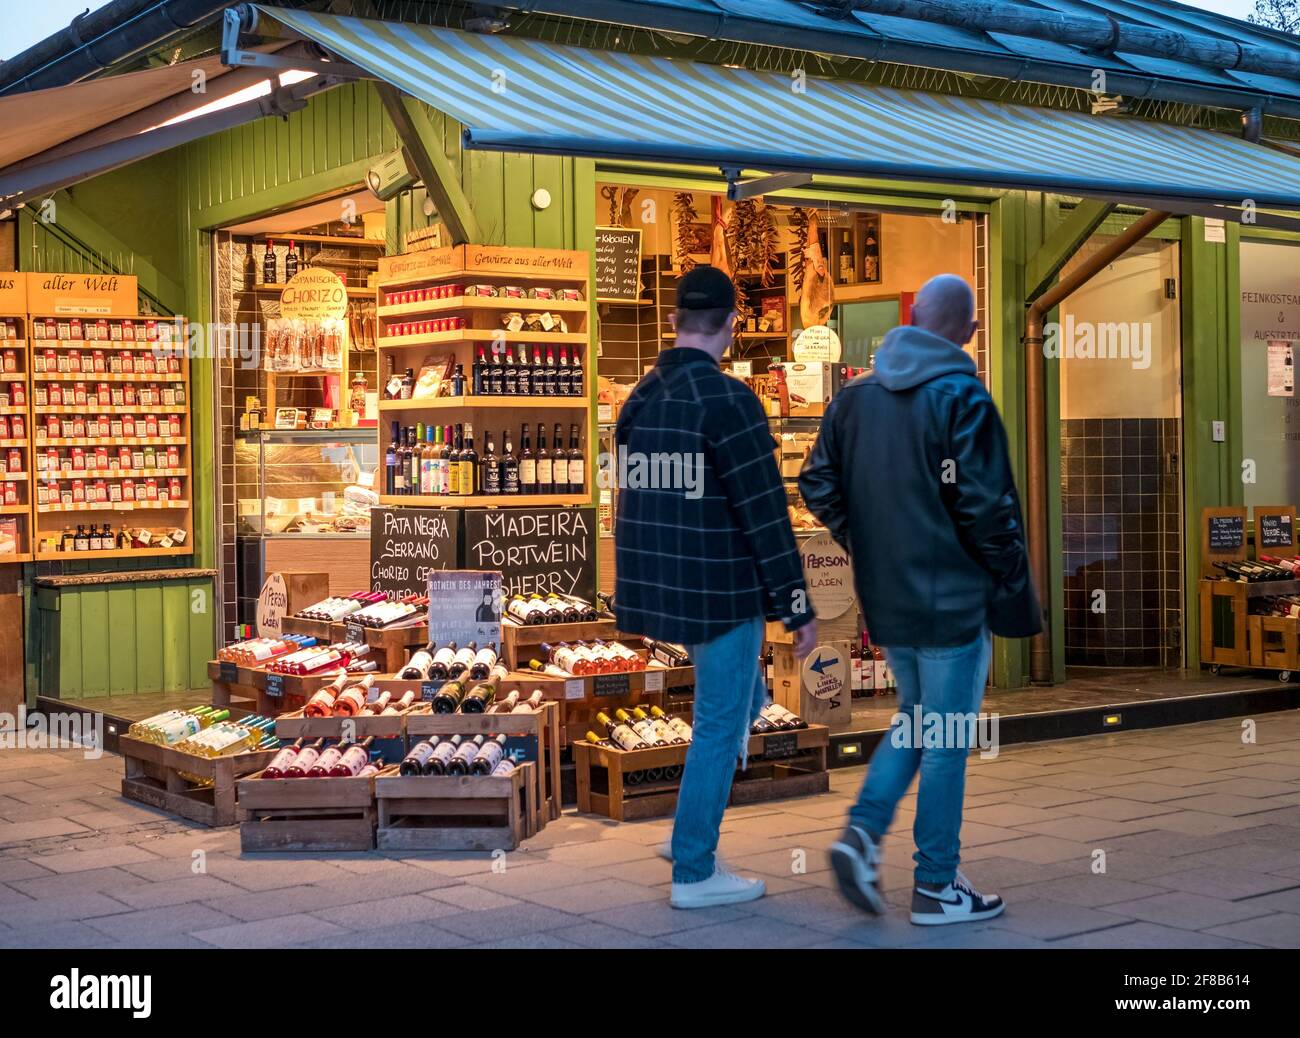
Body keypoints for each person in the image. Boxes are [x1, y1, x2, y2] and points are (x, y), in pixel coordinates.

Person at [799, 274, 1041, 926]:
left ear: (913, 319)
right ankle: (936, 886)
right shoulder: (963, 397)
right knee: (947, 736)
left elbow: (816, 481)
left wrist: (866, 540)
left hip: (889, 598)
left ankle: (860, 835)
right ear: (964, 329)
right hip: (953, 600)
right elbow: (989, 511)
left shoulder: (855, 399)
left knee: (917, 719)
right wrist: (1009, 584)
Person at [614, 265, 818, 909]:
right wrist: (795, 603)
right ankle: (695, 869)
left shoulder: (639, 400)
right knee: (718, 720)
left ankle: (685, 836)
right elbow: (765, 514)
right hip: (722, 590)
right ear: (731, 325)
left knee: (743, 697)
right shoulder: (732, 402)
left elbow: (633, 497)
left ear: (674, 321)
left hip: (662, 587)